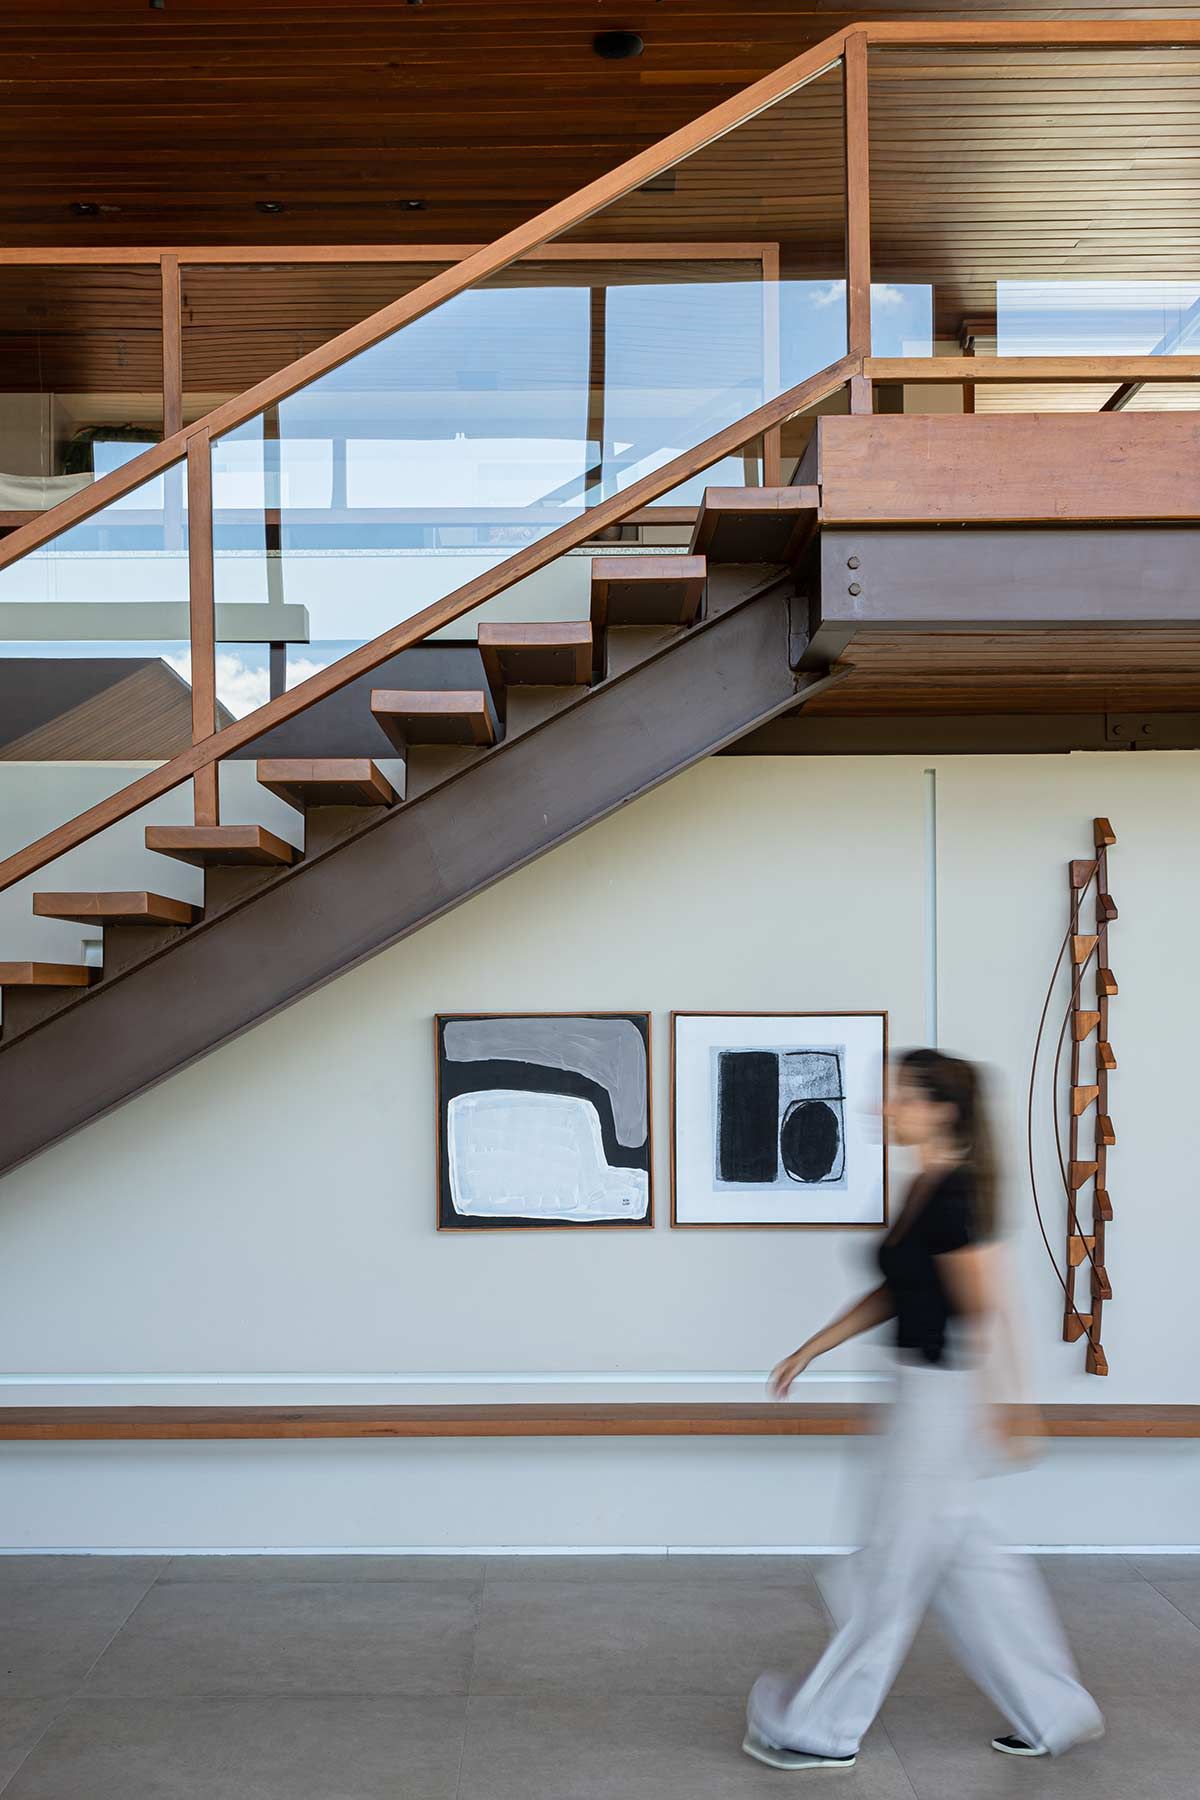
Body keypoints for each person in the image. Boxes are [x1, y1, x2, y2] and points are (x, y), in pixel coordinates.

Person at [744, 1048, 1104, 1773]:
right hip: (919, 1393)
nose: (884, 1107)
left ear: (941, 1110)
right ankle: (1055, 1711)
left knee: (893, 1569)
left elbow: (983, 1308)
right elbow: (898, 1292)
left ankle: (824, 1728)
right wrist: (812, 1347)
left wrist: (1009, 1409)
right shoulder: (926, 1187)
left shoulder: (954, 1197)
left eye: (901, 1096)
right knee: (969, 1566)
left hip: (941, 1400)